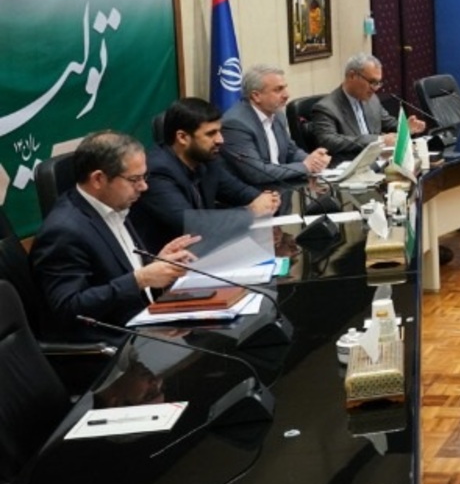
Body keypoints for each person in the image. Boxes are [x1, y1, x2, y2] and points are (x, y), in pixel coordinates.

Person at [31, 131, 199, 341]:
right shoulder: (63, 231)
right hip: (114, 343)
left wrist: (155, 262)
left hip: (147, 323)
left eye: (144, 177)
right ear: (98, 179)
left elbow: (118, 269)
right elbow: (69, 308)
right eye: (134, 179)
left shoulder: (114, 203)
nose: (144, 186)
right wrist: (141, 279)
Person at [130, 97, 279, 252]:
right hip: (167, 259)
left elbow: (239, 191)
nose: (220, 140)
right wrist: (251, 212)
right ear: (182, 137)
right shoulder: (157, 171)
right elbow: (190, 224)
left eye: (219, 131)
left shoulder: (206, 160)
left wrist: (266, 199)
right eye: (211, 134)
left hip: (204, 250)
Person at [221, 63, 332, 188]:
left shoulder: (277, 115)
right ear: (256, 96)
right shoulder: (236, 124)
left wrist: (314, 161)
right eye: (278, 90)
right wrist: (305, 166)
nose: (286, 95)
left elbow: (291, 151)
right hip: (251, 194)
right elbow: (257, 173)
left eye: (285, 88)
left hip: (281, 187)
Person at [310, 53, 426, 160]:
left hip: (377, 161)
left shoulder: (372, 100)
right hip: (349, 165)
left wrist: (406, 128)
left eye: (378, 83)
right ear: (352, 76)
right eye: (372, 82)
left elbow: (388, 123)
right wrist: (378, 140)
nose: (375, 88)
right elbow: (328, 141)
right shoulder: (326, 107)